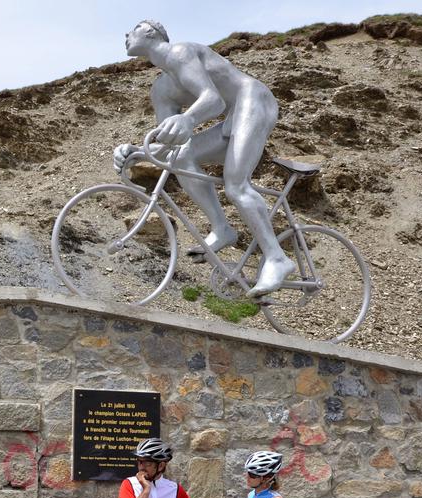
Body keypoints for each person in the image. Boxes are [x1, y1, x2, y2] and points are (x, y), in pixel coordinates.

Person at [114, 20, 295, 298]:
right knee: (181, 156)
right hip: (231, 118)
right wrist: (136, 153)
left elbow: (214, 100)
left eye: (133, 29)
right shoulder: (161, 89)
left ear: (150, 33)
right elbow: (167, 144)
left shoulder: (180, 52)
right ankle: (222, 228)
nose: (126, 34)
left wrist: (187, 118)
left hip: (253, 100)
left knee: (236, 186)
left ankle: (277, 258)